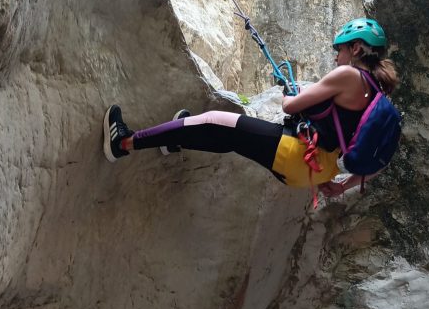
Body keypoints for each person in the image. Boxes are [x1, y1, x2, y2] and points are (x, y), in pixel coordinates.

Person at [102, 18, 398, 198]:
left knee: (215, 121)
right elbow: (380, 160)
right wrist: (342, 186)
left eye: (341, 50)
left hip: (294, 153)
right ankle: (175, 138)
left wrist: (289, 93)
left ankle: (123, 143)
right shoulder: (377, 95)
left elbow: (290, 104)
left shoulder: (348, 75)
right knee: (231, 137)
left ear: (356, 49)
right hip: (317, 173)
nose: (337, 58)